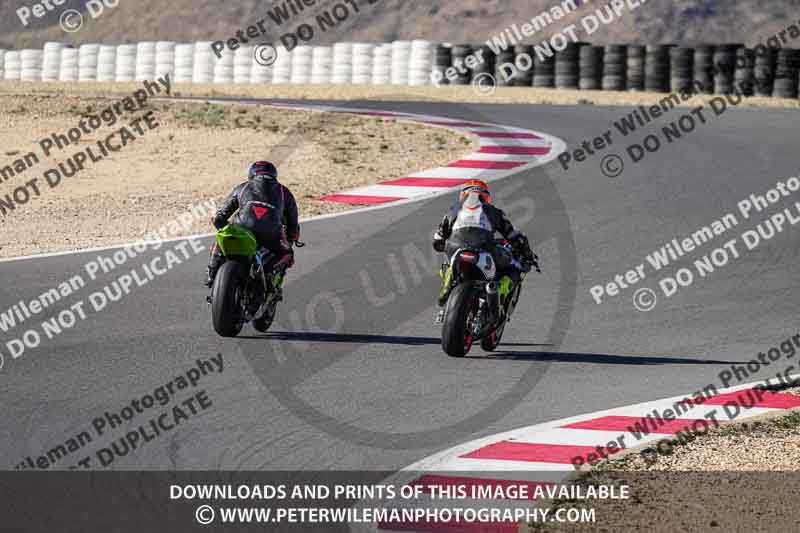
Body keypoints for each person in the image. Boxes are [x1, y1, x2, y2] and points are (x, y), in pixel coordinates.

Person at [432, 180, 537, 324]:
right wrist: (527, 254)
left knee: (447, 264)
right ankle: (497, 290)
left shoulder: (453, 210)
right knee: (516, 267)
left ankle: (448, 282)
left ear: (463, 195)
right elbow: (514, 237)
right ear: (486, 197)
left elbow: (437, 239)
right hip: (484, 247)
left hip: (454, 248)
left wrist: (441, 244)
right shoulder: (494, 211)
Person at [205, 161, 300, 291]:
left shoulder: (243, 187)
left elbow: (220, 216)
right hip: (271, 233)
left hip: (242, 228)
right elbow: (293, 221)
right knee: (288, 254)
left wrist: (223, 226)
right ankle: (269, 275)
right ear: (274, 175)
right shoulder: (285, 191)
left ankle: (211, 273)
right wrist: (291, 238)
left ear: (251, 174)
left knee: (222, 237)